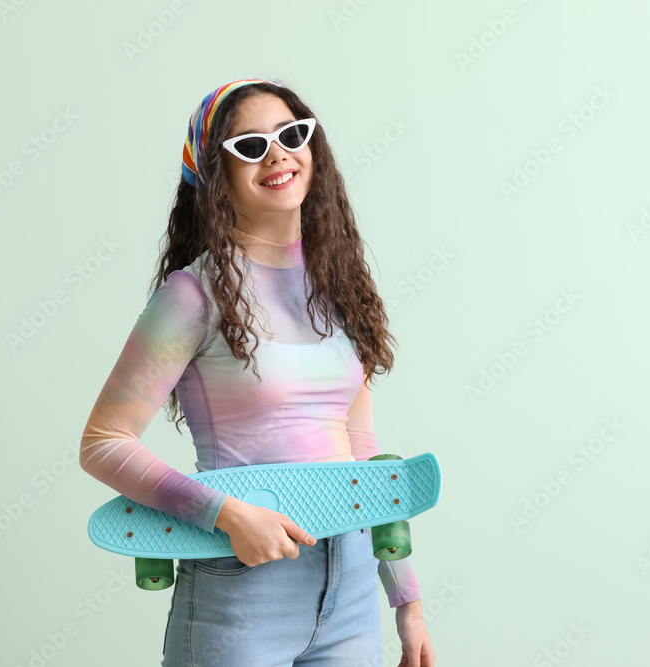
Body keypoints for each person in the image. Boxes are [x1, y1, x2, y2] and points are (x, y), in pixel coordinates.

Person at [80, 78, 435, 667]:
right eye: (249, 146)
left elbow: (363, 457)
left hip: (348, 588)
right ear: (216, 178)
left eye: (292, 135)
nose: (277, 153)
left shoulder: (339, 287)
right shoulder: (194, 295)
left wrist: (406, 598)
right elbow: (102, 444)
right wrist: (226, 515)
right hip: (240, 585)